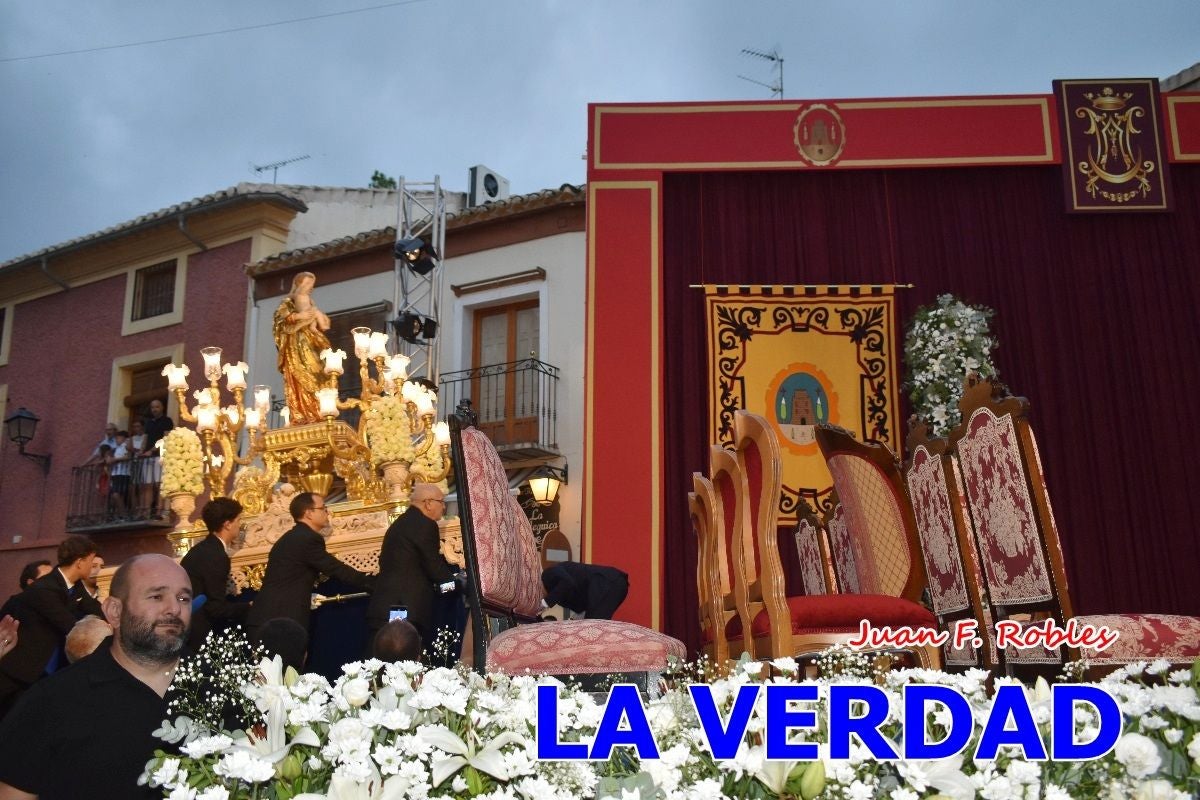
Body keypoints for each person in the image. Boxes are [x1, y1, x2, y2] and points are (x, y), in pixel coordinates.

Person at [0, 553, 192, 799]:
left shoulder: (223, 688)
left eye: (184, 598)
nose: (175, 608)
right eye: (156, 596)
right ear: (114, 611)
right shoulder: (50, 702)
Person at [245, 492, 374, 636]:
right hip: (280, 620)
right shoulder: (307, 538)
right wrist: (372, 584)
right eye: (323, 508)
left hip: (266, 616)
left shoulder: (292, 537)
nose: (328, 512)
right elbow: (335, 568)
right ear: (308, 513)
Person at [0, 535, 97, 718]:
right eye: (91, 561)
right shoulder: (44, 589)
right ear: (79, 562)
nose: (93, 567)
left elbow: (95, 610)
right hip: (18, 676)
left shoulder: (76, 588)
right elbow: (72, 626)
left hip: (44, 677)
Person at [365, 483, 458, 657]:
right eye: (441, 501)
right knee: (401, 668)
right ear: (428, 503)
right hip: (403, 609)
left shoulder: (403, 523)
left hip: (386, 606)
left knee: (381, 667)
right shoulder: (424, 524)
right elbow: (434, 566)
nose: (444, 506)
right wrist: (456, 584)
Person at [181, 497, 251, 650]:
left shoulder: (203, 549)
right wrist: (248, 606)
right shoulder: (216, 555)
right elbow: (216, 608)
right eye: (238, 520)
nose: (240, 526)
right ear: (227, 524)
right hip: (200, 634)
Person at [273, 271, 333, 425]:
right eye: (306, 284)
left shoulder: (310, 302)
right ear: (298, 284)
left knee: (317, 374)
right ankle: (301, 414)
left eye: (311, 285)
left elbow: (323, 324)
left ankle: (317, 411)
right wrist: (299, 317)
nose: (309, 288)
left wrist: (314, 319)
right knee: (299, 376)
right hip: (295, 345)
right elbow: (280, 320)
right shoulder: (287, 302)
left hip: (312, 342)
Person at [540, 561, 630, 620]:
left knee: (593, 628)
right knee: (594, 627)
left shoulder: (548, 573)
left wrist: (544, 604)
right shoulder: (556, 593)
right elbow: (581, 607)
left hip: (606, 582)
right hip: (617, 585)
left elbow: (568, 583)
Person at [141, 399, 174, 516]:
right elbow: (145, 438)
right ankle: (146, 511)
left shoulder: (167, 421)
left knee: (159, 484)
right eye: (152, 407)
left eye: (157, 407)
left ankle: (159, 510)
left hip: (159, 456)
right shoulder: (149, 423)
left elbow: (165, 438)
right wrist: (141, 451)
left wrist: (151, 451)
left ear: (162, 408)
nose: (154, 409)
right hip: (147, 457)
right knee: (147, 485)